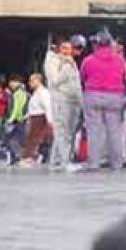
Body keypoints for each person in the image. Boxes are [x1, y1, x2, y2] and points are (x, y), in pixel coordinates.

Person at [80, 31, 126, 171]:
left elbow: (83, 77)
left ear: (97, 44)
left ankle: (94, 164)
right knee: (115, 131)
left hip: (93, 95)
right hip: (115, 96)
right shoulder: (120, 60)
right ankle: (117, 164)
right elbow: (124, 77)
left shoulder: (88, 60)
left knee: (94, 131)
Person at [46, 37, 84, 169]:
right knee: (62, 131)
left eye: (69, 49)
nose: (67, 51)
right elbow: (55, 80)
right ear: (58, 49)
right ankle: (64, 161)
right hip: (61, 99)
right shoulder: (54, 61)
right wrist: (66, 67)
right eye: (64, 48)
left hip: (72, 101)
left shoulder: (69, 61)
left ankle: (55, 161)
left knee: (67, 131)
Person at [17, 73, 54, 167]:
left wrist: (50, 121)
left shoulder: (44, 93)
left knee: (35, 138)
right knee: (31, 138)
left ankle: (31, 157)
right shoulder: (36, 93)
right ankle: (30, 156)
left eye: (32, 81)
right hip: (33, 117)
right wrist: (26, 116)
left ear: (38, 81)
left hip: (40, 118)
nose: (30, 83)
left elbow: (47, 107)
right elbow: (33, 107)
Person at [3, 75, 31, 164]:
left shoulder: (19, 93)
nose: (10, 84)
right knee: (15, 139)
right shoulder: (20, 92)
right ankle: (15, 157)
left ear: (17, 82)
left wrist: (11, 119)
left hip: (19, 121)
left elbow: (17, 108)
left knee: (14, 139)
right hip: (20, 120)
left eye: (12, 82)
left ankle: (19, 157)